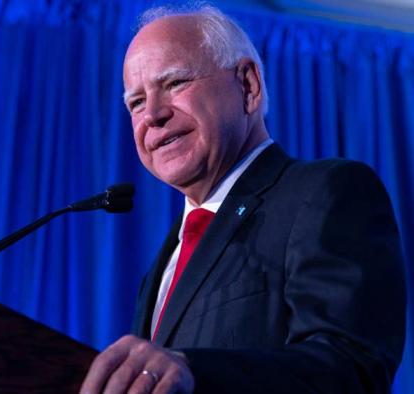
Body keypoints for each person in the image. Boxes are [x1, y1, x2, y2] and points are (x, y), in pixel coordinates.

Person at [80, 4, 405, 394]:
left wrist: (194, 370)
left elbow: (351, 367)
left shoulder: (326, 192)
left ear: (247, 85)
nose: (152, 114)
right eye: (135, 103)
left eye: (175, 83)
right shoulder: (163, 265)